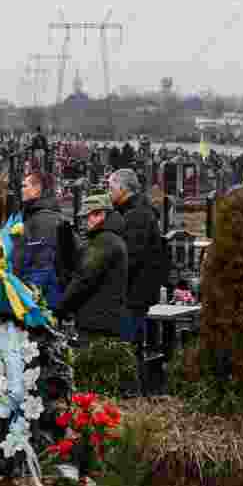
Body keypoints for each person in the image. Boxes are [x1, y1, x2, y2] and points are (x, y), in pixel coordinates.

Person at [109, 168, 167, 394]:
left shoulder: (137, 215)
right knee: (131, 343)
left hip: (133, 292)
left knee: (127, 345)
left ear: (123, 189)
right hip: (135, 291)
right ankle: (133, 389)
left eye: (111, 188)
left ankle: (131, 391)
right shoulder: (133, 211)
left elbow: (130, 257)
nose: (109, 192)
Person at [57, 194, 128, 340]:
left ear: (101, 215)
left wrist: (62, 307)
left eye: (87, 216)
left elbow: (84, 278)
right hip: (105, 318)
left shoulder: (104, 242)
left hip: (97, 321)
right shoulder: (110, 239)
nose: (85, 222)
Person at [13, 171, 77, 310]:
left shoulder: (43, 220)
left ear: (37, 189)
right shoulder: (38, 216)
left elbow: (43, 264)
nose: (21, 190)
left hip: (42, 301)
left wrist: (27, 295)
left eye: (25, 186)